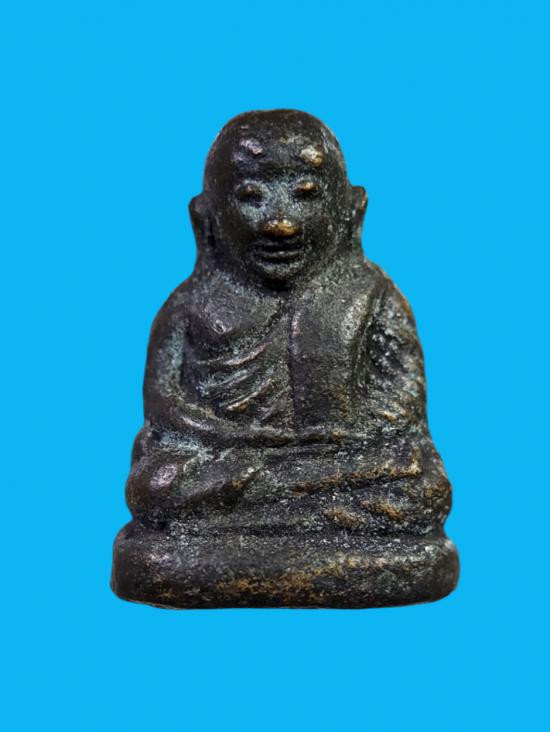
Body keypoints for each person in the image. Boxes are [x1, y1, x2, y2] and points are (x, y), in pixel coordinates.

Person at [112, 110, 458, 608]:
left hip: (342, 462)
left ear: (350, 209)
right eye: (252, 197)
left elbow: (404, 403)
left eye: (305, 194)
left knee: (420, 485)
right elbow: (164, 406)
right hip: (230, 461)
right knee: (158, 487)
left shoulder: (374, 296)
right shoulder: (192, 304)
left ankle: (254, 520)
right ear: (206, 217)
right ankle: (280, 511)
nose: (281, 222)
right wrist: (230, 438)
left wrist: (346, 439)